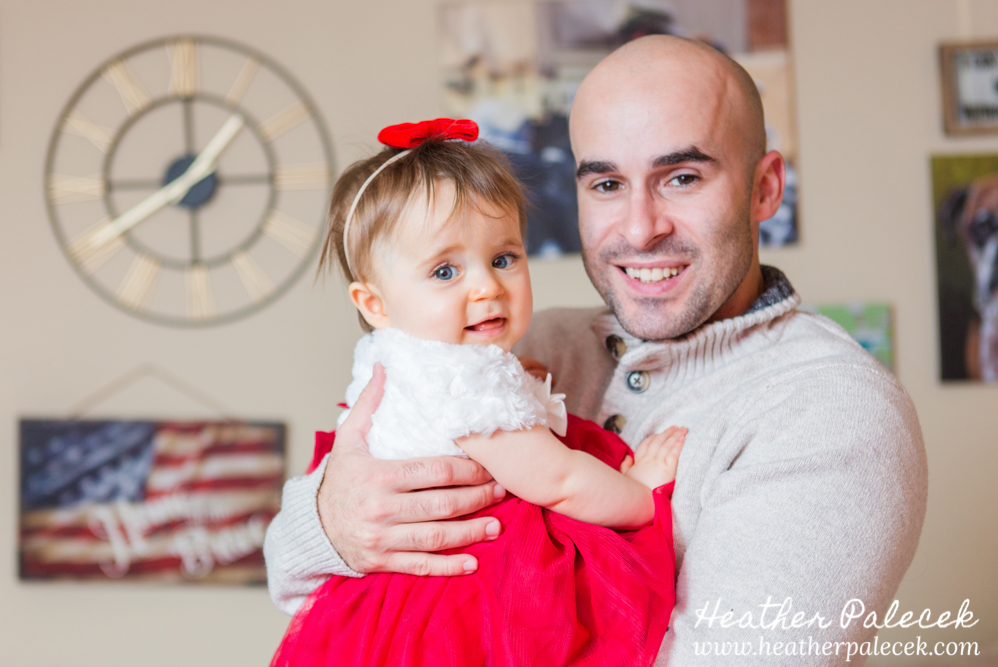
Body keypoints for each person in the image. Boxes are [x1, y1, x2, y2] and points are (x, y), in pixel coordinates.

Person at [265, 36, 928, 664]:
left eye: (682, 177)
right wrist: (330, 519)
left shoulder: (831, 409)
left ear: (764, 189)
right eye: (606, 184)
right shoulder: (532, 345)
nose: (641, 228)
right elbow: (293, 579)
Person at [269, 118, 687, 666]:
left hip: (379, 605)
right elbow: (558, 481)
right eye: (445, 271)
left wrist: (517, 384)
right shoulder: (464, 382)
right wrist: (640, 493)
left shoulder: (396, 357)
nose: (487, 286)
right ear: (374, 304)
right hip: (458, 606)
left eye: (503, 258)